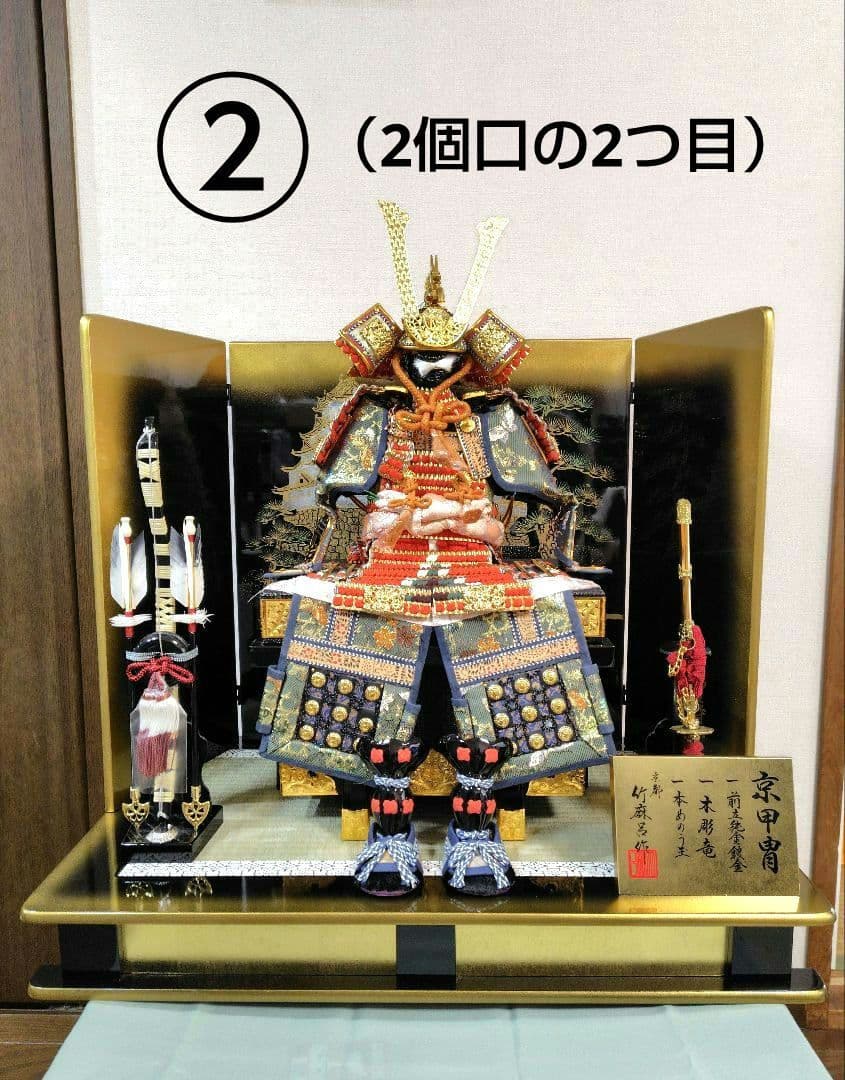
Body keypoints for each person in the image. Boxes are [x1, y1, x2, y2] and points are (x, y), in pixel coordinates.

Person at [257, 201, 615, 897]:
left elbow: (515, 507)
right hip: (389, 566)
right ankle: (385, 824)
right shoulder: (375, 412)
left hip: (473, 563)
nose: (432, 369)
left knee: (512, 654)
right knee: (356, 655)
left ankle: (478, 822)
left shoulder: (494, 415)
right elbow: (355, 505)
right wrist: (402, 517)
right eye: (420, 358)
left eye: (445, 359)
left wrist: (459, 516)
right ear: (398, 355)